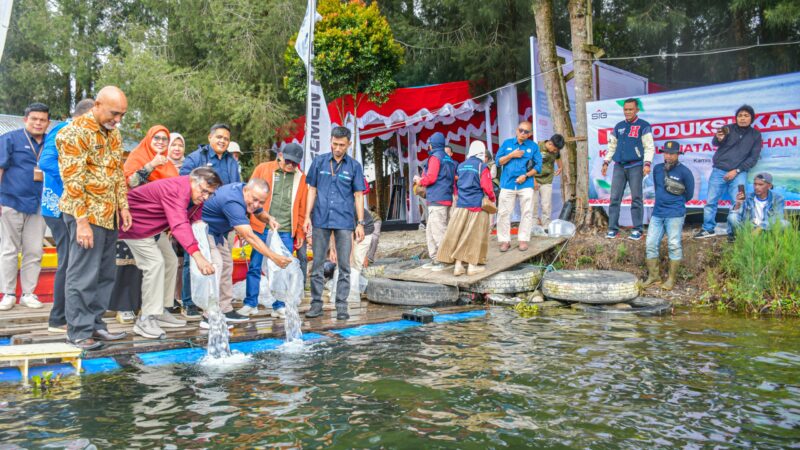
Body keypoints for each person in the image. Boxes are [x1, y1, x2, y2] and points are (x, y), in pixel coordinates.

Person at [57, 86, 132, 350]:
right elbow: (73, 180)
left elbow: (117, 173)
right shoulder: (73, 133)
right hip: (84, 214)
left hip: (108, 213)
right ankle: (78, 330)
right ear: (97, 105)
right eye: (114, 113)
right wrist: (81, 222)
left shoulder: (114, 133)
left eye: (122, 114)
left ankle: (96, 325)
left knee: (104, 274)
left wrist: (123, 207)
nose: (118, 120)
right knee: (82, 274)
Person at [120, 168, 221, 338]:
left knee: (171, 260)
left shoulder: (195, 197)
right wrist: (198, 257)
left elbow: (194, 220)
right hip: (134, 224)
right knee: (155, 263)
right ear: (192, 180)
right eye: (203, 191)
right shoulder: (177, 190)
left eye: (210, 194)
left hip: (152, 228)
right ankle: (145, 319)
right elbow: (180, 225)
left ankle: (160, 311)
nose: (205, 197)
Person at [199, 178, 292, 329]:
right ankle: (208, 315)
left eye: (261, 202)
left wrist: (269, 219)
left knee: (227, 265)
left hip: (219, 232)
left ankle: (225, 308)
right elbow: (249, 237)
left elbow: (259, 212)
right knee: (216, 266)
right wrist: (274, 257)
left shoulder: (247, 192)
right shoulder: (233, 201)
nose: (256, 205)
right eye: (254, 200)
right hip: (204, 229)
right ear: (246, 191)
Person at [38, 98, 95, 331]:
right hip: (58, 207)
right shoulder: (63, 129)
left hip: (74, 207)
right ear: (85, 114)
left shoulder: (85, 132)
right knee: (68, 261)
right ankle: (58, 318)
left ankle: (67, 314)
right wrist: (75, 179)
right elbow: (46, 161)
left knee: (74, 260)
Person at [304, 126, 366, 321]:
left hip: (344, 221)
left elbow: (358, 195)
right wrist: (307, 216)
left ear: (349, 144)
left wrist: (360, 223)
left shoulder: (354, 166)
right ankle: (316, 304)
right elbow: (311, 190)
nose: (337, 148)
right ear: (330, 141)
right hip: (321, 218)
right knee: (318, 264)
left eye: (342, 145)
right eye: (334, 144)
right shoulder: (319, 161)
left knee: (345, 265)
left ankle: (341, 304)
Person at [179, 123, 240, 319]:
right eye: (219, 137)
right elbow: (183, 184)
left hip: (222, 224)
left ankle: (224, 307)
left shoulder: (231, 161)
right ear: (210, 137)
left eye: (226, 139)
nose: (222, 141)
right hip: (199, 220)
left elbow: (236, 188)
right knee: (195, 262)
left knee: (225, 264)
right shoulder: (197, 158)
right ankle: (189, 303)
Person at [240, 143, 308, 318]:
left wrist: (300, 232)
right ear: (280, 155)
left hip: (285, 229)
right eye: (288, 161)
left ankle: (280, 305)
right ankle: (250, 303)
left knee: (282, 268)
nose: (291, 165)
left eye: (295, 163)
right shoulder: (263, 168)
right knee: (255, 265)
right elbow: (246, 196)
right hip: (259, 225)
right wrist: (243, 225)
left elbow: (301, 207)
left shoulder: (301, 178)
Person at [0, 102, 50, 311]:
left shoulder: (50, 142)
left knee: (34, 250)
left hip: (39, 204)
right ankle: (8, 294)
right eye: (34, 119)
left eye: (42, 120)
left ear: (48, 123)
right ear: (25, 119)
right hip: (11, 201)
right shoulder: (9, 139)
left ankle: (28, 294)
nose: (38, 123)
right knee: (9, 249)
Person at [694, 105, 763, 239]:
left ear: (752, 118)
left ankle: (734, 232)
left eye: (746, 116)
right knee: (711, 201)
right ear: (736, 118)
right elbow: (715, 143)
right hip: (718, 171)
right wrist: (719, 138)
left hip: (739, 173)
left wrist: (736, 171)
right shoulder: (727, 128)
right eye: (740, 115)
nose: (742, 118)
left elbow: (753, 159)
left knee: (739, 201)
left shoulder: (755, 135)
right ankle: (708, 229)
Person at [437, 141, 496, 276]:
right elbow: (487, 187)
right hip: (476, 206)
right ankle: (471, 266)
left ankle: (458, 266)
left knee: (461, 234)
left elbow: (457, 183)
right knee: (474, 236)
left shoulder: (461, 166)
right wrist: (492, 199)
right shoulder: (482, 166)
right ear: (481, 152)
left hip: (461, 206)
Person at [642, 141, 694, 291]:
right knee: (650, 243)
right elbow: (658, 188)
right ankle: (654, 277)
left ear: (678, 154)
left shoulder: (685, 172)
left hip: (675, 214)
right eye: (666, 153)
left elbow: (689, 195)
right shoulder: (657, 169)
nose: (668, 156)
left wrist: (674, 203)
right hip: (657, 213)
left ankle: (671, 280)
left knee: (674, 244)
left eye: (672, 153)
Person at [602, 98, 655, 241]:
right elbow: (612, 146)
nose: (628, 112)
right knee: (614, 198)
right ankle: (613, 228)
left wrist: (647, 164)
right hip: (619, 166)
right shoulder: (618, 126)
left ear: (637, 110)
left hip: (636, 166)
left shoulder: (644, 126)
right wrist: (606, 162)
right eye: (625, 109)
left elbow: (649, 147)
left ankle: (638, 229)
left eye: (631, 109)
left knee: (636, 198)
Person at [413, 132, 456, 270]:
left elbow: (431, 178)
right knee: (430, 230)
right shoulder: (448, 158)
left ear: (432, 144)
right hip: (445, 196)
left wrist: (419, 180)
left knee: (438, 231)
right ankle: (435, 258)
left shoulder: (435, 157)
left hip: (437, 198)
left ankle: (446, 260)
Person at [496, 121, 542, 252]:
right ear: (517, 130)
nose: (522, 133)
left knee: (527, 212)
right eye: (521, 130)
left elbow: (538, 166)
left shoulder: (533, 147)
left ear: (530, 134)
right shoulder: (507, 143)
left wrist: (526, 176)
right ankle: (505, 240)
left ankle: (523, 240)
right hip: (507, 183)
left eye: (526, 132)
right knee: (503, 213)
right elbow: (498, 162)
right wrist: (511, 155)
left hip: (525, 183)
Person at [727, 172, 787, 241]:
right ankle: (743, 237)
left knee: (785, 223)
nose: (756, 187)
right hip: (749, 227)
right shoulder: (747, 197)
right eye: (755, 184)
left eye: (760, 184)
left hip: (766, 228)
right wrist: (738, 204)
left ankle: (766, 237)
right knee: (732, 217)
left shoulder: (778, 198)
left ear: (769, 186)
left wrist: (760, 227)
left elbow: (777, 217)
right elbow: (735, 216)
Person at [533, 134, 564, 229]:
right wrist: (533, 181)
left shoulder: (556, 151)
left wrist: (560, 167)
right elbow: (528, 165)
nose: (555, 152)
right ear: (550, 143)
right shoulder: (536, 147)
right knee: (533, 205)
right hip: (534, 180)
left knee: (546, 205)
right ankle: (533, 227)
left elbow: (558, 157)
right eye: (554, 150)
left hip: (547, 180)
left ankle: (546, 227)